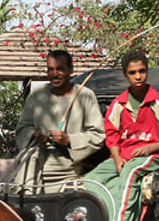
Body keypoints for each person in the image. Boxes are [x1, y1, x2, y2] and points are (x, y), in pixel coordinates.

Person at [84, 49, 159, 221]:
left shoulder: (158, 102)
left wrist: (150, 148)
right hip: (123, 156)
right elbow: (111, 136)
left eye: (142, 71)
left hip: (150, 158)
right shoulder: (119, 104)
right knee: (90, 181)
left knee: (130, 175)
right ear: (125, 75)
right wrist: (116, 159)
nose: (138, 76)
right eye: (132, 73)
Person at [14, 49, 105, 191]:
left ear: (70, 70)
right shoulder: (36, 95)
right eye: (50, 69)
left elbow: (98, 135)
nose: (55, 74)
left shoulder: (85, 96)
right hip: (33, 167)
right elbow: (22, 128)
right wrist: (33, 135)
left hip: (68, 172)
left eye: (60, 69)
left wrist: (69, 139)